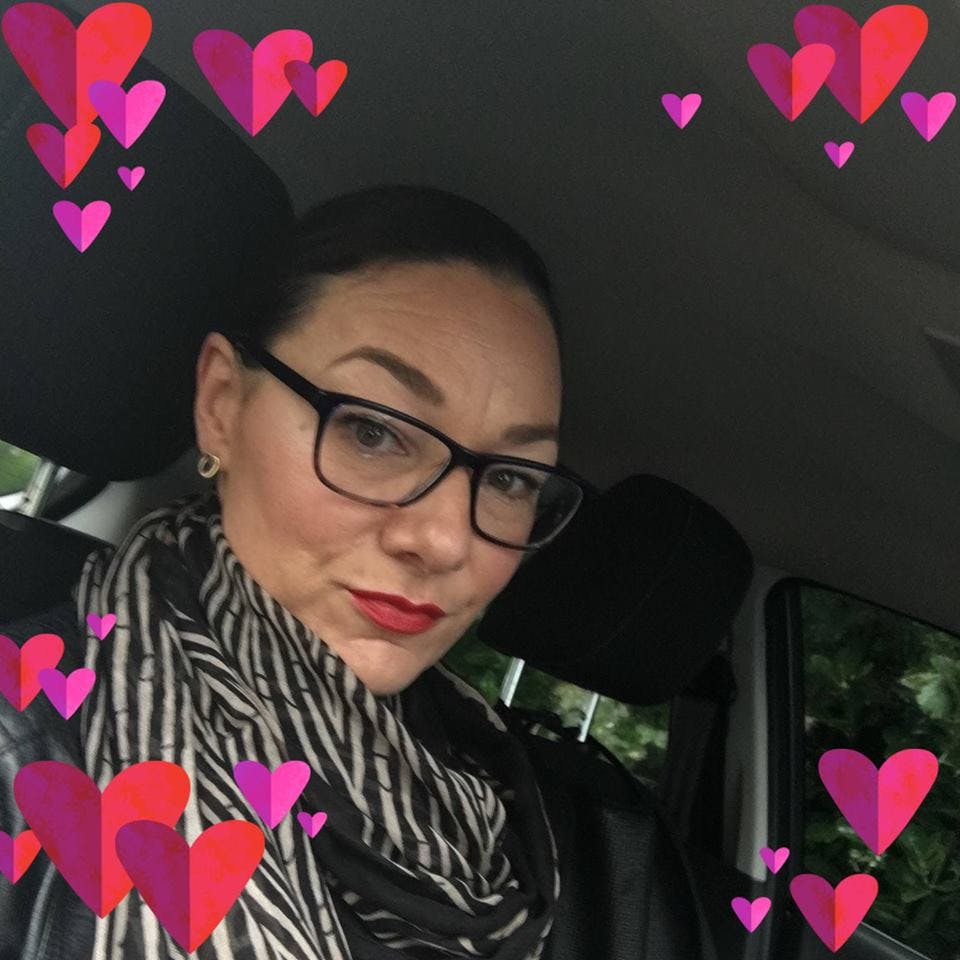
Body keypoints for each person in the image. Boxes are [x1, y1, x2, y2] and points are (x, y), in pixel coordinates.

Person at [0, 184, 589, 960]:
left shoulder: (511, 801)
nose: (447, 540)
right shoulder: (21, 752)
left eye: (510, 478)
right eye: (372, 431)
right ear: (221, 404)